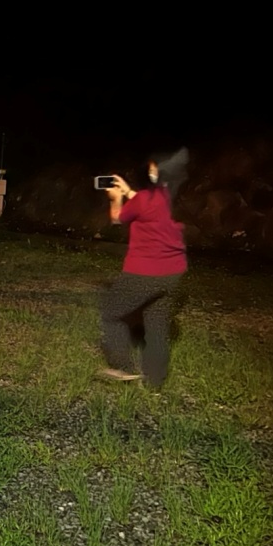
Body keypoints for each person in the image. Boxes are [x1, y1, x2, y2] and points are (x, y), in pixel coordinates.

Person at [99, 148, 189, 388]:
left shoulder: (141, 200)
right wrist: (128, 190)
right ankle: (154, 381)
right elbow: (146, 204)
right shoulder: (167, 196)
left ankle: (121, 366)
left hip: (145, 271)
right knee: (157, 325)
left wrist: (116, 198)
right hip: (173, 272)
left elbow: (118, 218)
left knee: (111, 313)